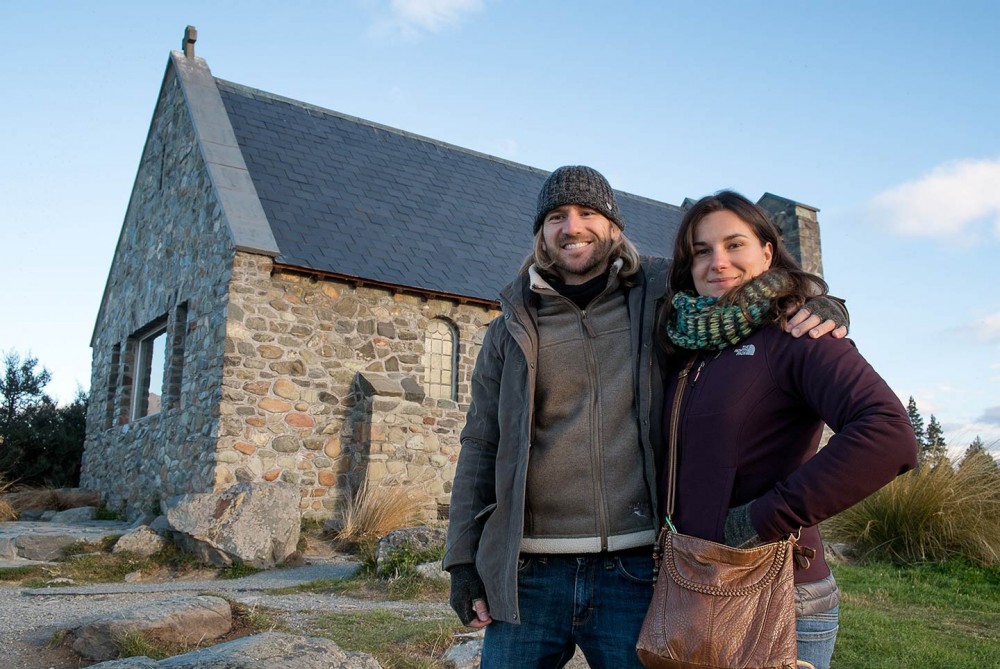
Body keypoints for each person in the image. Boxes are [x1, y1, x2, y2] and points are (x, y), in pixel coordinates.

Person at [442, 166, 848, 668]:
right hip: (528, 573)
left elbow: (740, 285)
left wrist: (814, 300)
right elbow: (481, 444)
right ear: (541, 232)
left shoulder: (661, 294)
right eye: (556, 217)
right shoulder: (512, 325)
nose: (572, 227)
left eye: (587, 212)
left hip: (636, 572)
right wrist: (463, 563)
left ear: (614, 225)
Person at [658, 190, 918, 669]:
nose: (718, 261)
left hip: (777, 592)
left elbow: (888, 434)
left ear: (767, 252)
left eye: (735, 244)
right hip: (696, 584)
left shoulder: (799, 334)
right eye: (701, 250)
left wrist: (758, 521)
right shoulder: (688, 345)